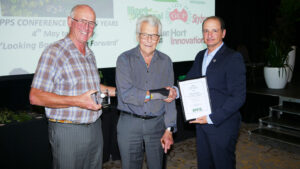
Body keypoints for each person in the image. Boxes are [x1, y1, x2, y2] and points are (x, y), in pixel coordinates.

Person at [29, 4, 115, 169]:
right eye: (82, 21)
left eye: (92, 23)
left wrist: (121, 91)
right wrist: (77, 101)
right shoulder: (54, 52)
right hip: (68, 131)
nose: (87, 27)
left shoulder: (90, 54)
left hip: (95, 128)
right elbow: (35, 96)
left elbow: (95, 87)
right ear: (70, 21)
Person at [116, 15, 177, 169]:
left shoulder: (166, 61)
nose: (149, 39)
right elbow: (128, 94)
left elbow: (170, 97)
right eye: (145, 35)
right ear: (138, 36)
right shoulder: (124, 59)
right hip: (129, 124)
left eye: (154, 35)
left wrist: (169, 129)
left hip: (157, 125)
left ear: (159, 38)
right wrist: (159, 93)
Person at [186, 16, 246, 169]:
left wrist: (212, 118)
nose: (209, 34)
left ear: (223, 33)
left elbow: (238, 97)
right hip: (202, 124)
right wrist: (176, 92)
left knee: (222, 164)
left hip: (222, 125)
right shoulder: (200, 55)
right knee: (204, 164)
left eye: (214, 30)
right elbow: (189, 82)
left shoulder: (233, 57)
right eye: (206, 31)